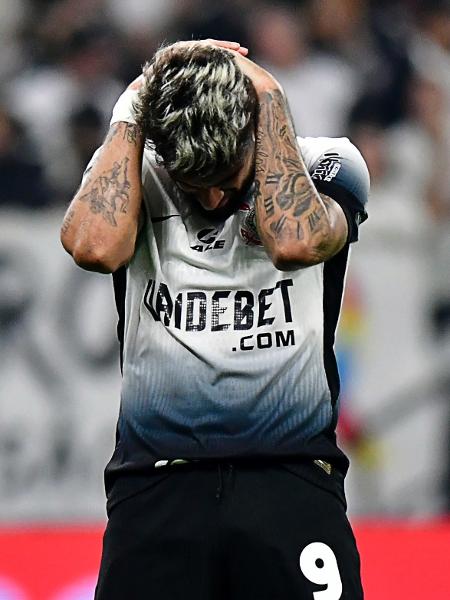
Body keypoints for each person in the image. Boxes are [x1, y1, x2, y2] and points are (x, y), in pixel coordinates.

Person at [61, 39, 369, 600]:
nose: (210, 194)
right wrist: (134, 101)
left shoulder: (328, 162)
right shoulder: (137, 171)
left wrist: (268, 95)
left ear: (258, 132)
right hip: (156, 484)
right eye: (191, 181)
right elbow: (93, 247)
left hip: (290, 478)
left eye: (227, 175)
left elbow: (297, 242)